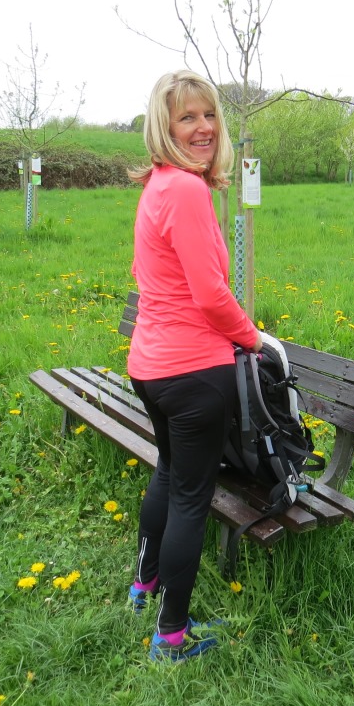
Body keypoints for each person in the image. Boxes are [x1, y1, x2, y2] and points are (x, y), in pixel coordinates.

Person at [126, 70, 262, 662]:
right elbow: (210, 295)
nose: (203, 127)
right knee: (189, 497)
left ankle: (144, 586)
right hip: (192, 372)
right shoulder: (185, 189)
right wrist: (253, 339)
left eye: (209, 115)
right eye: (188, 117)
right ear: (166, 126)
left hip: (151, 366)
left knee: (168, 474)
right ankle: (172, 636)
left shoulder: (159, 184)